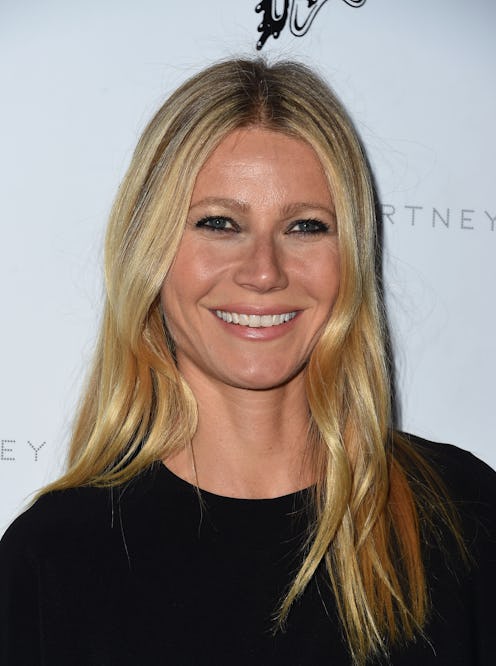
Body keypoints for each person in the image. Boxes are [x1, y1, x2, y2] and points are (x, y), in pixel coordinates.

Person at [0, 58, 494, 666]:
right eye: (219, 223)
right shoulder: (52, 559)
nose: (264, 271)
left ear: (351, 257)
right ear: (151, 251)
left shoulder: (463, 515)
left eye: (305, 227)